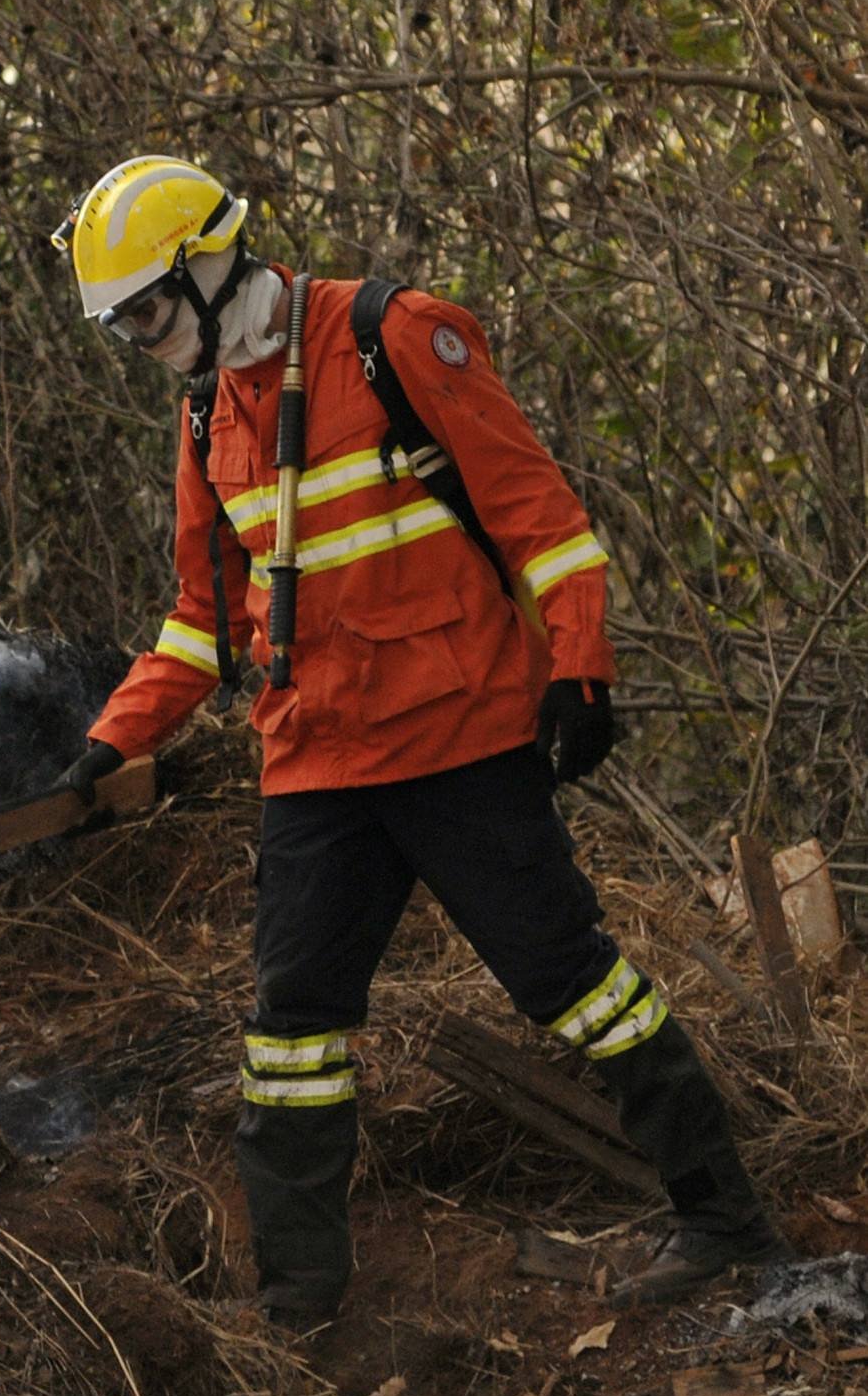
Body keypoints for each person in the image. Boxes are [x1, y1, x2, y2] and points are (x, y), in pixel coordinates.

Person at [48, 154, 785, 1325]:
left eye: (144, 312)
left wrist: (580, 670)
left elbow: (540, 517)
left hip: (458, 741)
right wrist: (110, 738)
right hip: (314, 762)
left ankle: (724, 1221)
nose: (143, 343)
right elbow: (201, 621)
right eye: (123, 326)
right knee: (290, 1036)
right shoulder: (204, 418)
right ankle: (298, 1304)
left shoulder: (395, 336)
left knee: (577, 986)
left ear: (205, 267)